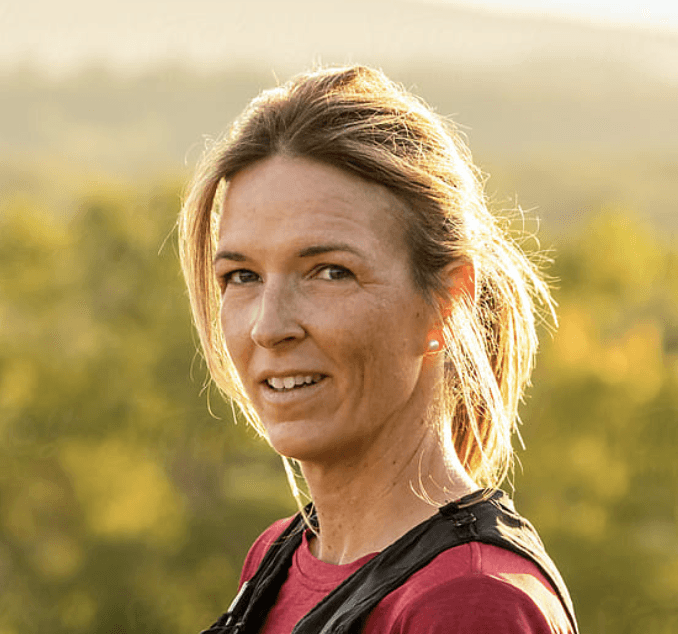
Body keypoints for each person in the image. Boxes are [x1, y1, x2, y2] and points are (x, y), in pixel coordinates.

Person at [178, 64, 578, 633]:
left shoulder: (470, 602)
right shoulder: (277, 559)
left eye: (330, 272)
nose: (268, 327)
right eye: (242, 276)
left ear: (447, 302)